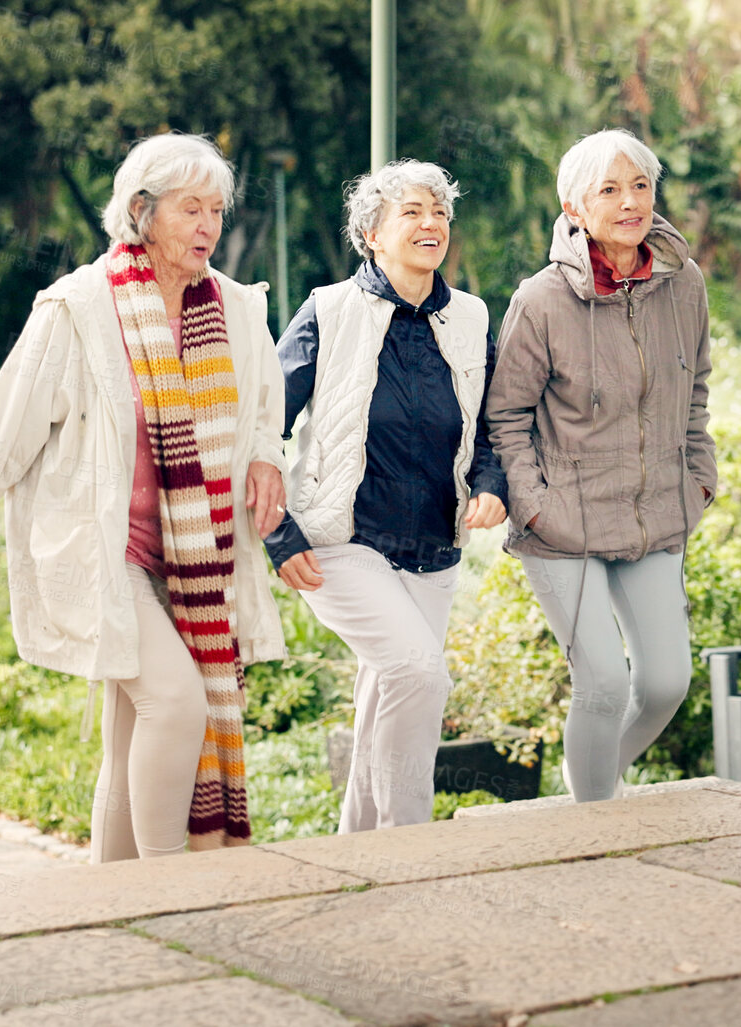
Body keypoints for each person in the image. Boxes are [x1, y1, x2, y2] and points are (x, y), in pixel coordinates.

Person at [0, 133, 288, 861]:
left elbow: (265, 409)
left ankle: (110, 901)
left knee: (132, 730)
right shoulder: (78, 307)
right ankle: (168, 888)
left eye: (216, 211)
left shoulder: (236, 309)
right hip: (106, 552)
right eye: (190, 209)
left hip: (195, 554)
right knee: (174, 703)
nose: (207, 226)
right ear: (141, 212)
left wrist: (266, 457)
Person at [265, 159, 506, 832]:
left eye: (440, 213)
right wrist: (278, 534)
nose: (431, 224)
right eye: (412, 212)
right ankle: (411, 843)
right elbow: (261, 430)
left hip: (434, 548)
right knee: (418, 673)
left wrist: (490, 485)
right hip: (338, 542)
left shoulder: (470, 317)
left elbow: (493, 425)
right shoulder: (329, 311)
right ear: (372, 234)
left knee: (391, 688)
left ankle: (358, 849)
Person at [486, 129, 716, 803]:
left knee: (666, 682)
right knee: (603, 685)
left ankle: (592, 788)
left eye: (640, 185)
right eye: (609, 190)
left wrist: (697, 478)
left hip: (654, 515)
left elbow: (694, 389)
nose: (629, 202)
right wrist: (533, 506)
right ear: (574, 208)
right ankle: (592, 828)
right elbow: (505, 417)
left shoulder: (684, 284)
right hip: (562, 525)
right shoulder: (540, 300)